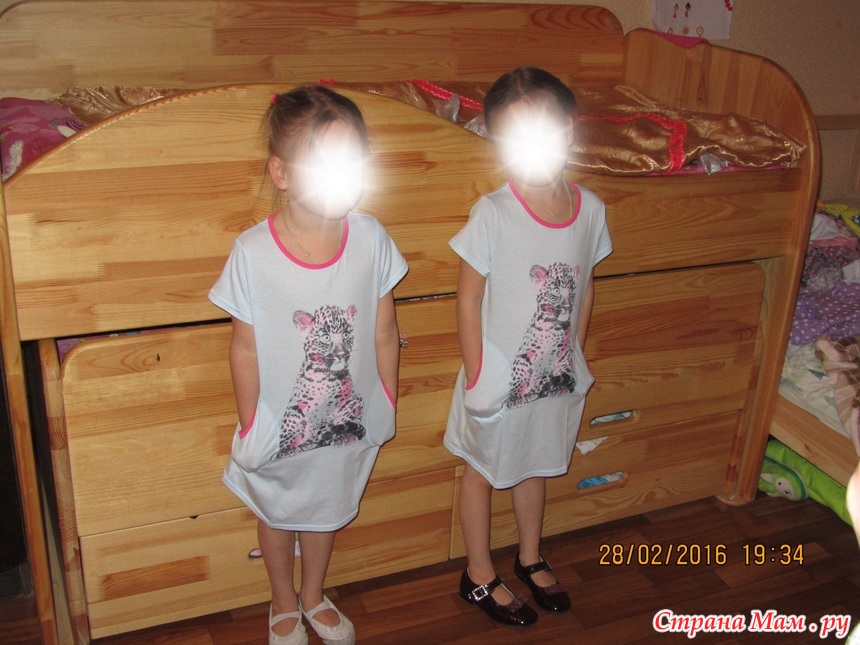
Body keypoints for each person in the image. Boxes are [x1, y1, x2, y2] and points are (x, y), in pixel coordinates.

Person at [209, 86, 407, 645]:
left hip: (347, 417)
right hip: (281, 422)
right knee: (277, 510)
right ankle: (282, 600)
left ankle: (314, 593)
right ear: (281, 172)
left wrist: (386, 399)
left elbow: (384, 329)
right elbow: (245, 348)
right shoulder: (252, 253)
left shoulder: (371, 238)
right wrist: (252, 423)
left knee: (327, 505)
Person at [444, 67, 613, 627]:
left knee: (535, 462)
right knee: (482, 470)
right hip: (497, 377)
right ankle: (477, 573)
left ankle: (530, 556)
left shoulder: (590, 209)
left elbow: (585, 286)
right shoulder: (493, 212)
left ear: (568, 130)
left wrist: (575, 354)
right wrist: (478, 375)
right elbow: (469, 298)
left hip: (554, 372)